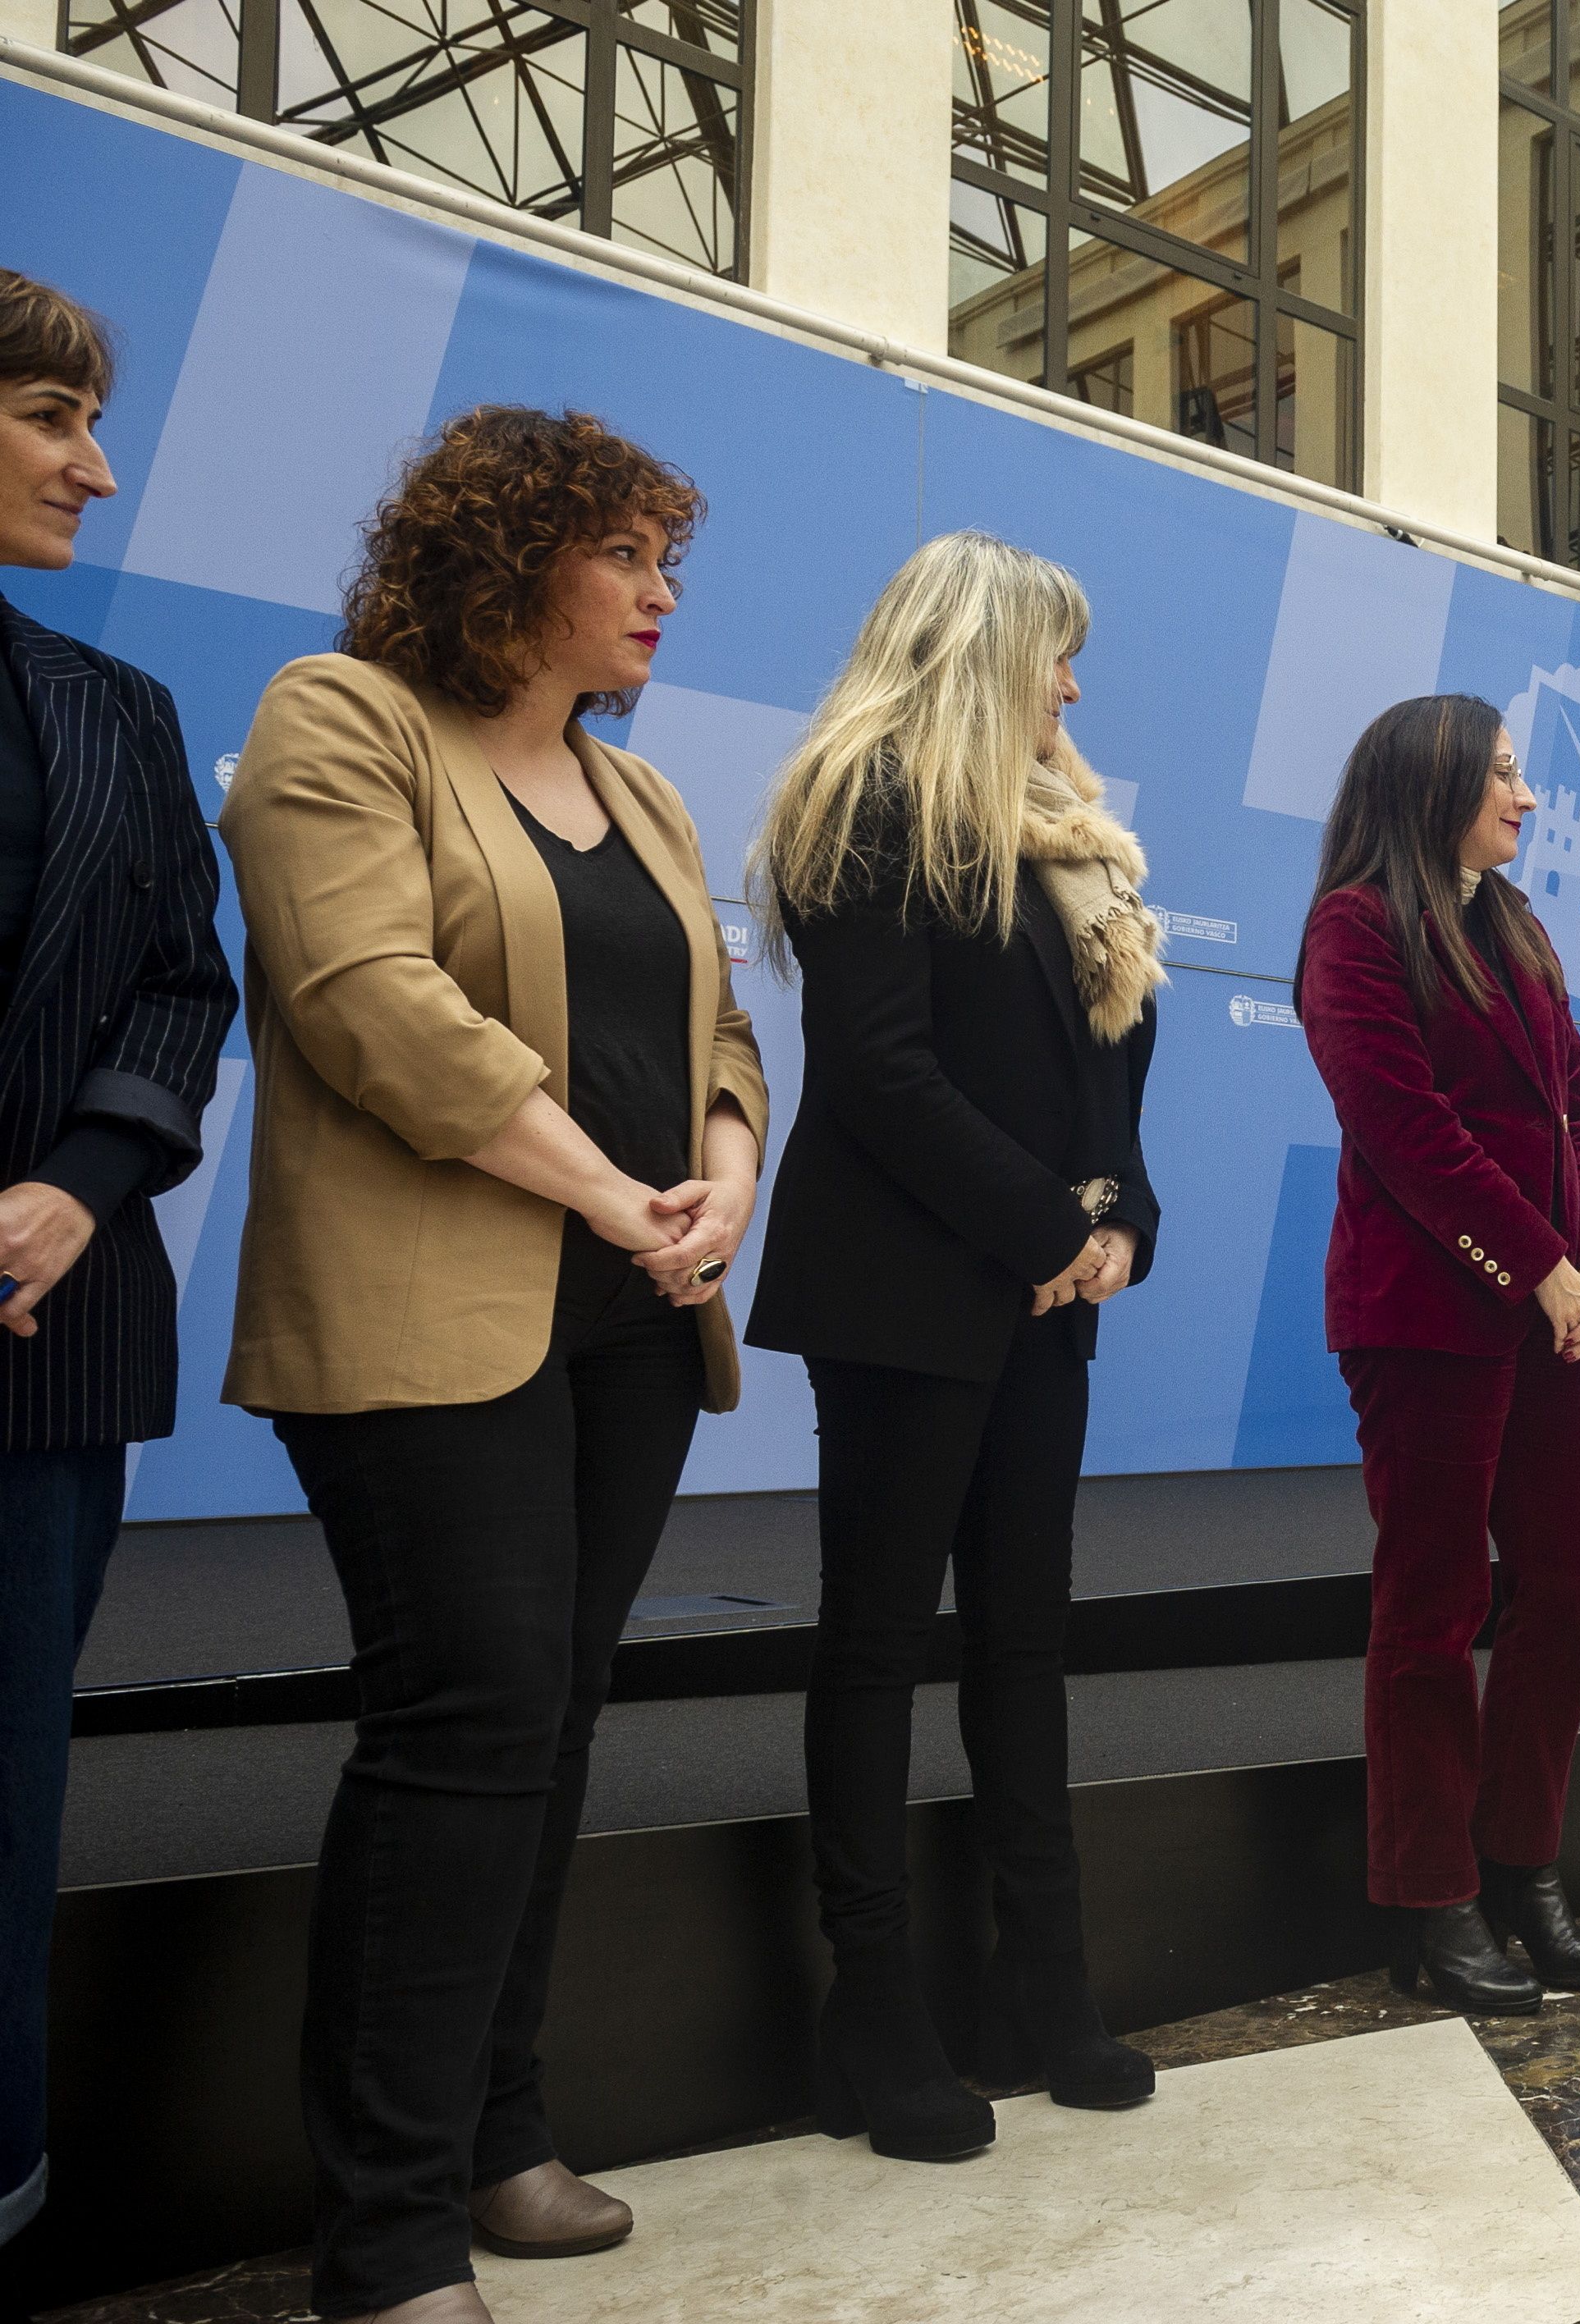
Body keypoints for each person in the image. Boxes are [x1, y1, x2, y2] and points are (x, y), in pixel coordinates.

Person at [218, 408, 766, 2324]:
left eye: (663, 555)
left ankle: (499, 2135)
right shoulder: (341, 718)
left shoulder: (652, 798)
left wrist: (717, 1176)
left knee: (548, 1723)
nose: (660, 592)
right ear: (517, 556)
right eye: (626, 552)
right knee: (464, 1725)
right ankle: (379, 2242)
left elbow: (725, 1032)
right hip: (422, 1311)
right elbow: (375, 1005)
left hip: (628, 1322)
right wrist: (618, 1189)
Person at [746, 532, 1165, 2162]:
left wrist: (1118, 1217)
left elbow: (1112, 1074)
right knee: (877, 1643)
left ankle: (1041, 1991)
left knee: (1023, 1641)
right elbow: (878, 1073)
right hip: (909, 1289)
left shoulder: (1067, 837)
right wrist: (1049, 1233)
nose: (1071, 685)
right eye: (1052, 653)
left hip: (1043, 1289)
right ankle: (874, 2014)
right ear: (982, 650)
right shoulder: (865, 797)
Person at [0, 271, 237, 2252]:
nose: (99, 462)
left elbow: (180, 987)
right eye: (48, 417)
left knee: (3, 1816)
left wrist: (82, 1178)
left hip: (42, 1343)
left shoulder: (118, 711)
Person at [1298, 694, 1580, 2012]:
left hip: (1558, 1313)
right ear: (1433, 783)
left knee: (1568, 1590)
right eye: (1503, 774)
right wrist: (1542, 1267)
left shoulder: (1516, 922)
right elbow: (1406, 1130)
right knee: (1430, 1611)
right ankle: (1431, 1902)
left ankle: (1524, 1868)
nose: (1527, 797)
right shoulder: (1354, 928)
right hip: (1430, 1315)